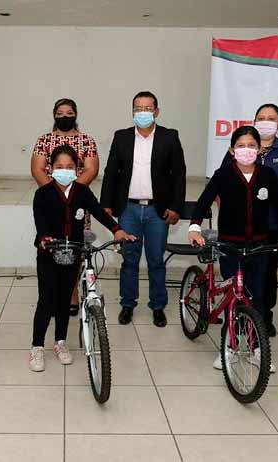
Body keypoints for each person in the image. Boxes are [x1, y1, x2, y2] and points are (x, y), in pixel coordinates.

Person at [189, 125, 278, 373]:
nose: (246, 150)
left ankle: (255, 349)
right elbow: (204, 201)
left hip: (260, 246)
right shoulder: (223, 174)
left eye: (251, 145)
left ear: (259, 149)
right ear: (232, 150)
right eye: (241, 146)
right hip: (230, 245)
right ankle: (228, 347)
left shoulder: (267, 175)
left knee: (256, 298)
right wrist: (194, 227)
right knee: (234, 298)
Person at [30, 145, 135, 372]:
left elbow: (98, 211)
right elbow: (40, 223)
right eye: (59, 167)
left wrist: (117, 229)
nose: (64, 171)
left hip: (74, 252)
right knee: (46, 300)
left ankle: (60, 342)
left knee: (65, 299)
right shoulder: (43, 194)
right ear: (50, 169)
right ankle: (37, 346)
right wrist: (45, 238)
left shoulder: (82, 192)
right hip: (49, 253)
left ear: (77, 170)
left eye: (69, 167)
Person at [100, 91, 186, 328]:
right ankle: (128, 304)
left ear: (156, 112)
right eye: (138, 108)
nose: (143, 113)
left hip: (157, 211)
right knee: (129, 259)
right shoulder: (122, 137)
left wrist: (176, 206)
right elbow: (110, 173)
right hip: (128, 209)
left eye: (148, 108)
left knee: (156, 260)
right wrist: (105, 204)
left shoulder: (169, 137)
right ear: (132, 112)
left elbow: (179, 174)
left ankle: (158, 306)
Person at [219, 104, 278, 336]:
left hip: (276, 225)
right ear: (254, 120)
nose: (266, 121)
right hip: (243, 226)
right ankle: (238, 316)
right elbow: (220, 185)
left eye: (272, 118)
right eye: (261, 117)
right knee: (239, 274)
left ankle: (264, 317)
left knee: (267, 275)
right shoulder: (241, 147)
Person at [30, 98, 100, 316]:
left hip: (77, 205)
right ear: (54, 115)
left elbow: (91, 169)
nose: (64, 116)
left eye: (69, 112)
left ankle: (71, 293)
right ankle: (51, 293)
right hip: (50, 205)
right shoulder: (44, 140)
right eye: (60, 113)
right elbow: (37, 169)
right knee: (52, 246)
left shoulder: (86, 140)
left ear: (76, 114)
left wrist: (72, 195)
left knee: (76, 248)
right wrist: (56, 194)